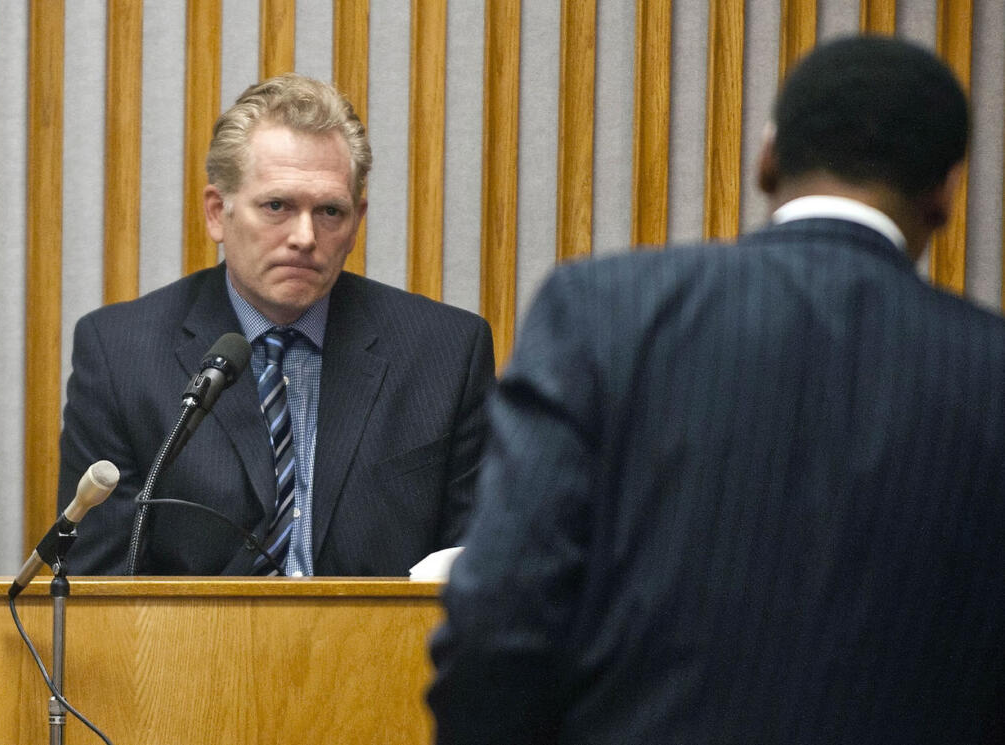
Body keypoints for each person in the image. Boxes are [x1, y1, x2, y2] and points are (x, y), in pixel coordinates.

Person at [428, 35, 1005, 744]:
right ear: (947, 192)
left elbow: (499, 615)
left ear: (767, 157)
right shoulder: (988, 366)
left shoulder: (604, 312)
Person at [58, 73, 494, 577]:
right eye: (277, 206)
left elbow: (483, 573)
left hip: (383, 653)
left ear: (357, 222)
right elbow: (100, 587)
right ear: (218, 213)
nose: (305, 237)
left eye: (330, 211)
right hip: (192, 654)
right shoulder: (121, 354)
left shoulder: (445, 354)